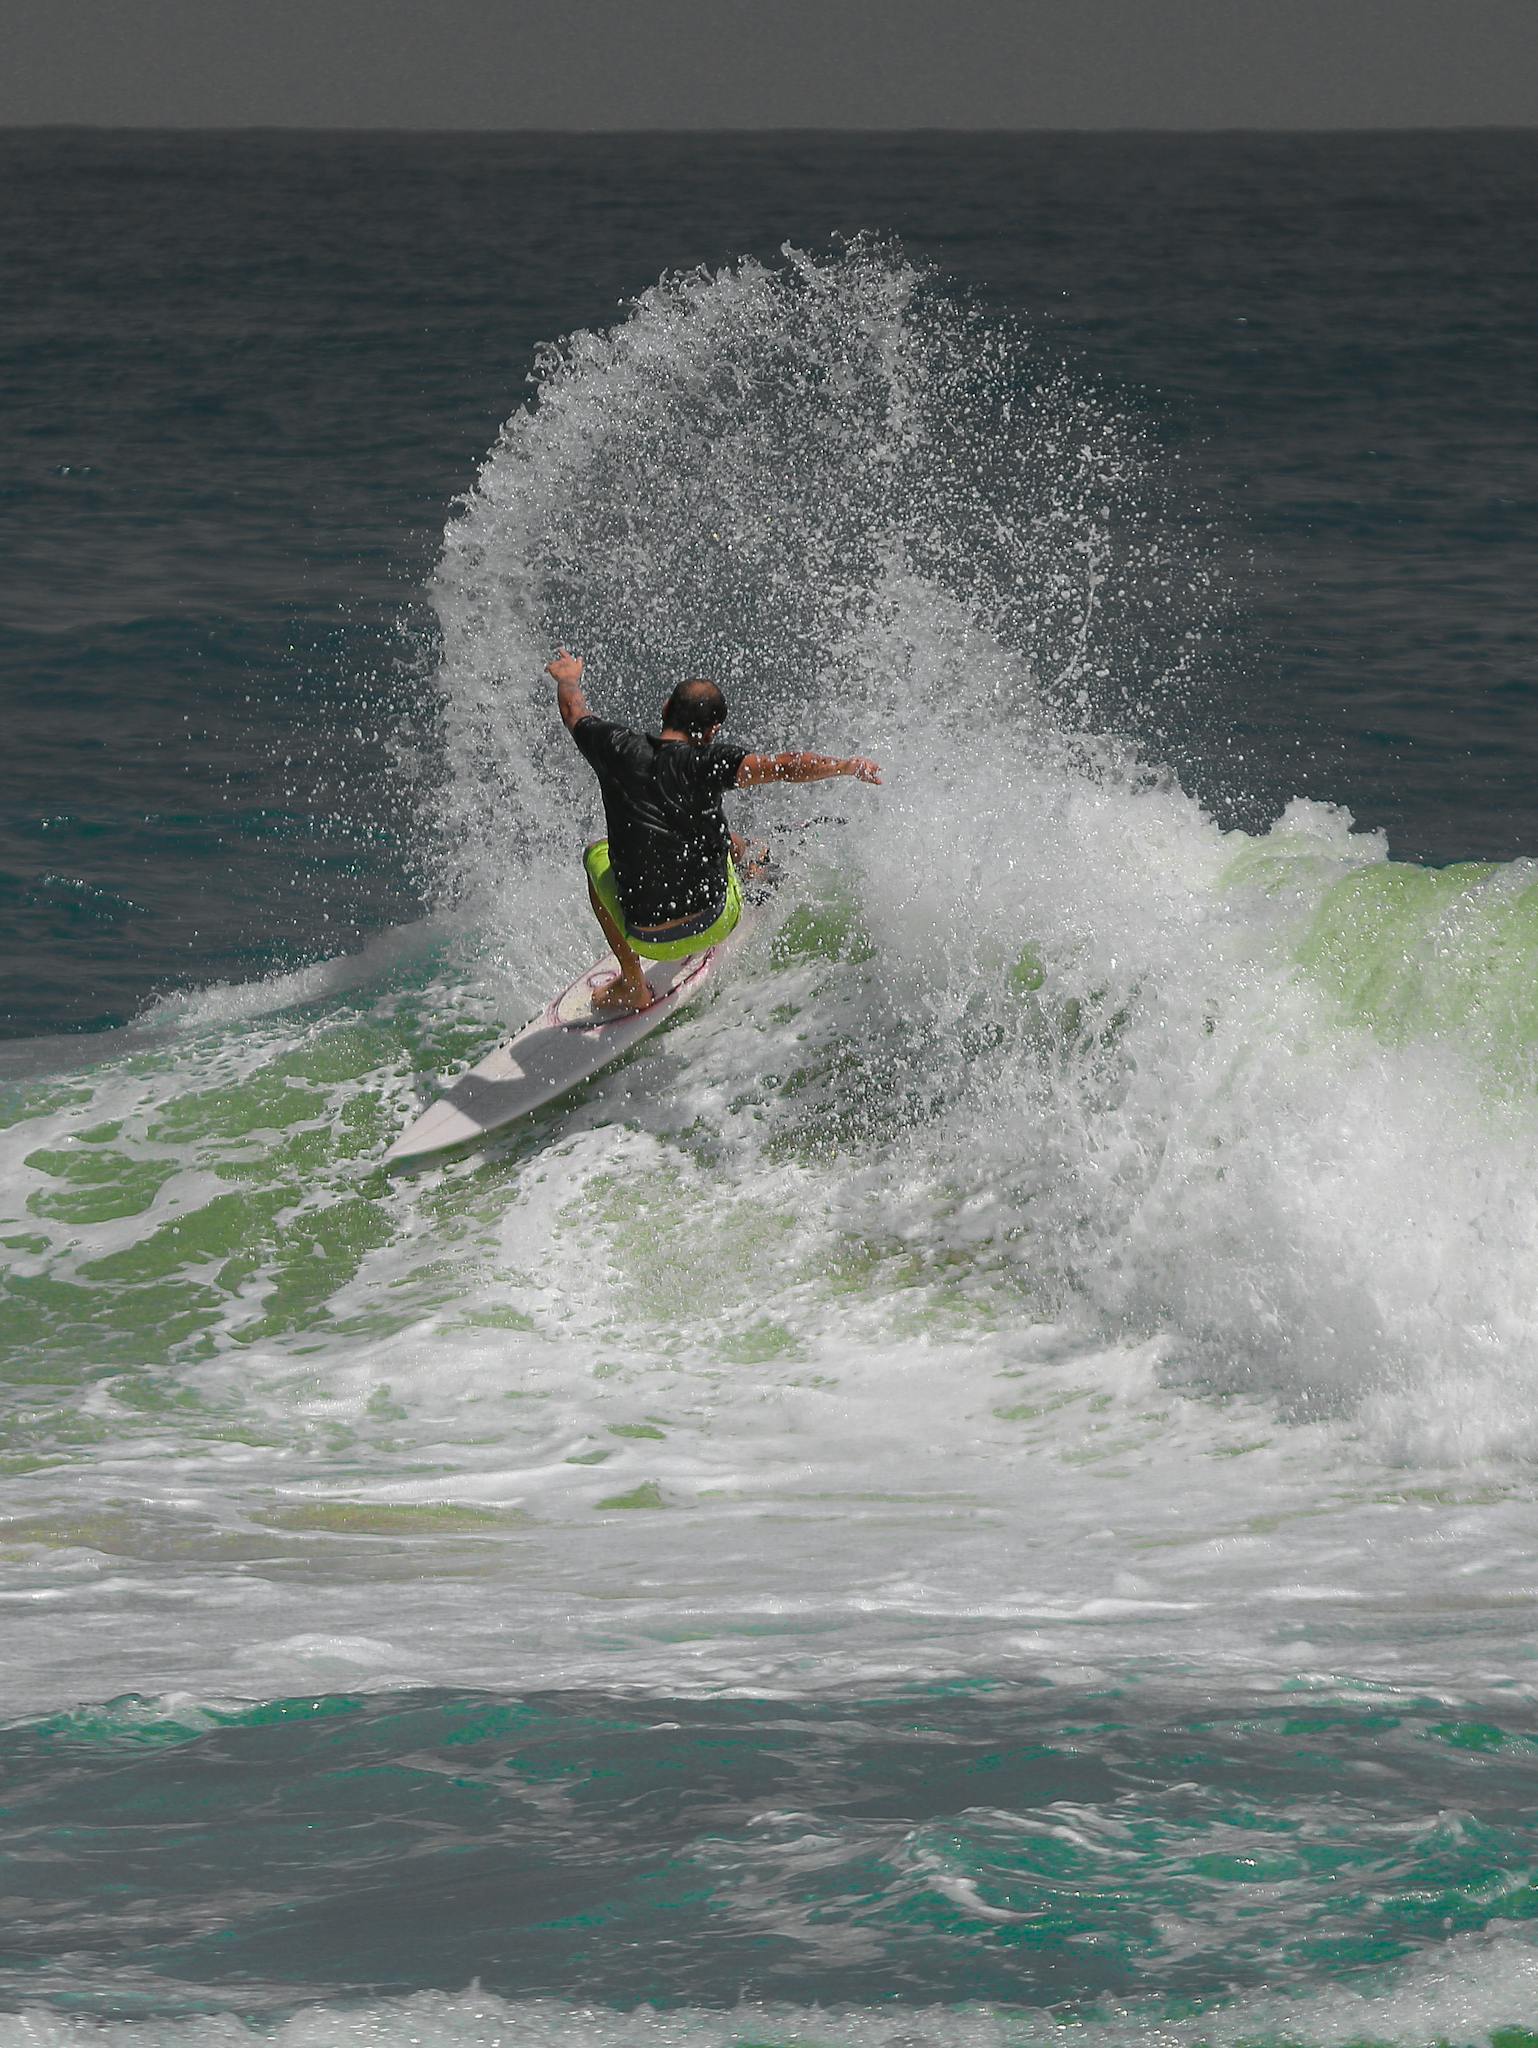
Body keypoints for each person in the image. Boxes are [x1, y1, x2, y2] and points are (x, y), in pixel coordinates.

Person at [545, 649, 882, 1013]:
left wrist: (568, 677)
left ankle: (632, 982)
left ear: (665, 708)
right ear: (712, 731)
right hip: (715, 919)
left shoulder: (615, 746)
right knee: (712, 829)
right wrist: (846, 766)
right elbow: (786, 765)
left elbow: (573, 712)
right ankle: (757, 869)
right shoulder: (710, 761)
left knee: (596, 853)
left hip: (644, 934)